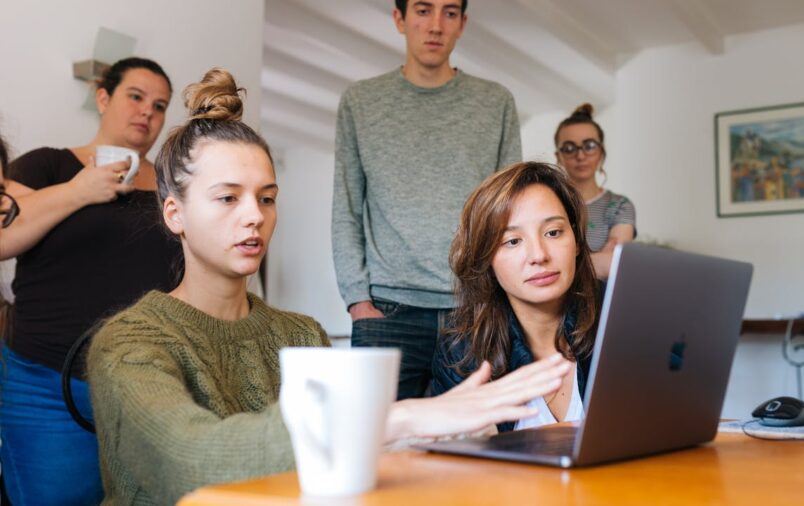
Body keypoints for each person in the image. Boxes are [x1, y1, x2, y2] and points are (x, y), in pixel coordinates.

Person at [86, 68, 568, 506]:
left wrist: (442, 437)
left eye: (267, 198)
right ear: (175, 214)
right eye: (228, 197)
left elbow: (342, 475)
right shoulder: (127, 345)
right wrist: (398, 419)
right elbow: (195, 464)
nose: (255, 215)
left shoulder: (301, 334)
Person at [0, 57, 182, 505]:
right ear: (103, 98)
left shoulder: (171, 187)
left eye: (159, 106)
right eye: (135, 97)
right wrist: (82, 191)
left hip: (146, 386)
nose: (148, 113)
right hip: (45, 384)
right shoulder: (47, 166)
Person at [331, 0, 522, 400]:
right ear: (399, 19)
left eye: (449, 12)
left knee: (471, 448)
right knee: (379, 448)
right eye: (422, 10)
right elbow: (345, 208)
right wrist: (357, 301)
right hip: (385, 311)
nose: (435, 25)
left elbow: (510, 213)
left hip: (474, 309)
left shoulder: (496, 103)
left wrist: (502, 297)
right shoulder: (360, 102)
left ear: (462, 23)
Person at [431, 162, 601, 432]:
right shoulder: (462, 353)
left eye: (553, 232)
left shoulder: (621, 322)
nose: (538, 255)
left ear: (577, 241)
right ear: (486, 258)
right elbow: (454, 467)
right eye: (512, 241)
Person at [555, 104, 636, 279]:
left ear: (601, 151)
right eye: (569, 148)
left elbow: (612, 266)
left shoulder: (620, 205)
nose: (580, 155)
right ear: (558, 156)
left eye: (589, 145)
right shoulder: (548, 204)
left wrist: (557, 268)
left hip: (601, 302)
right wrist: (595, 261)